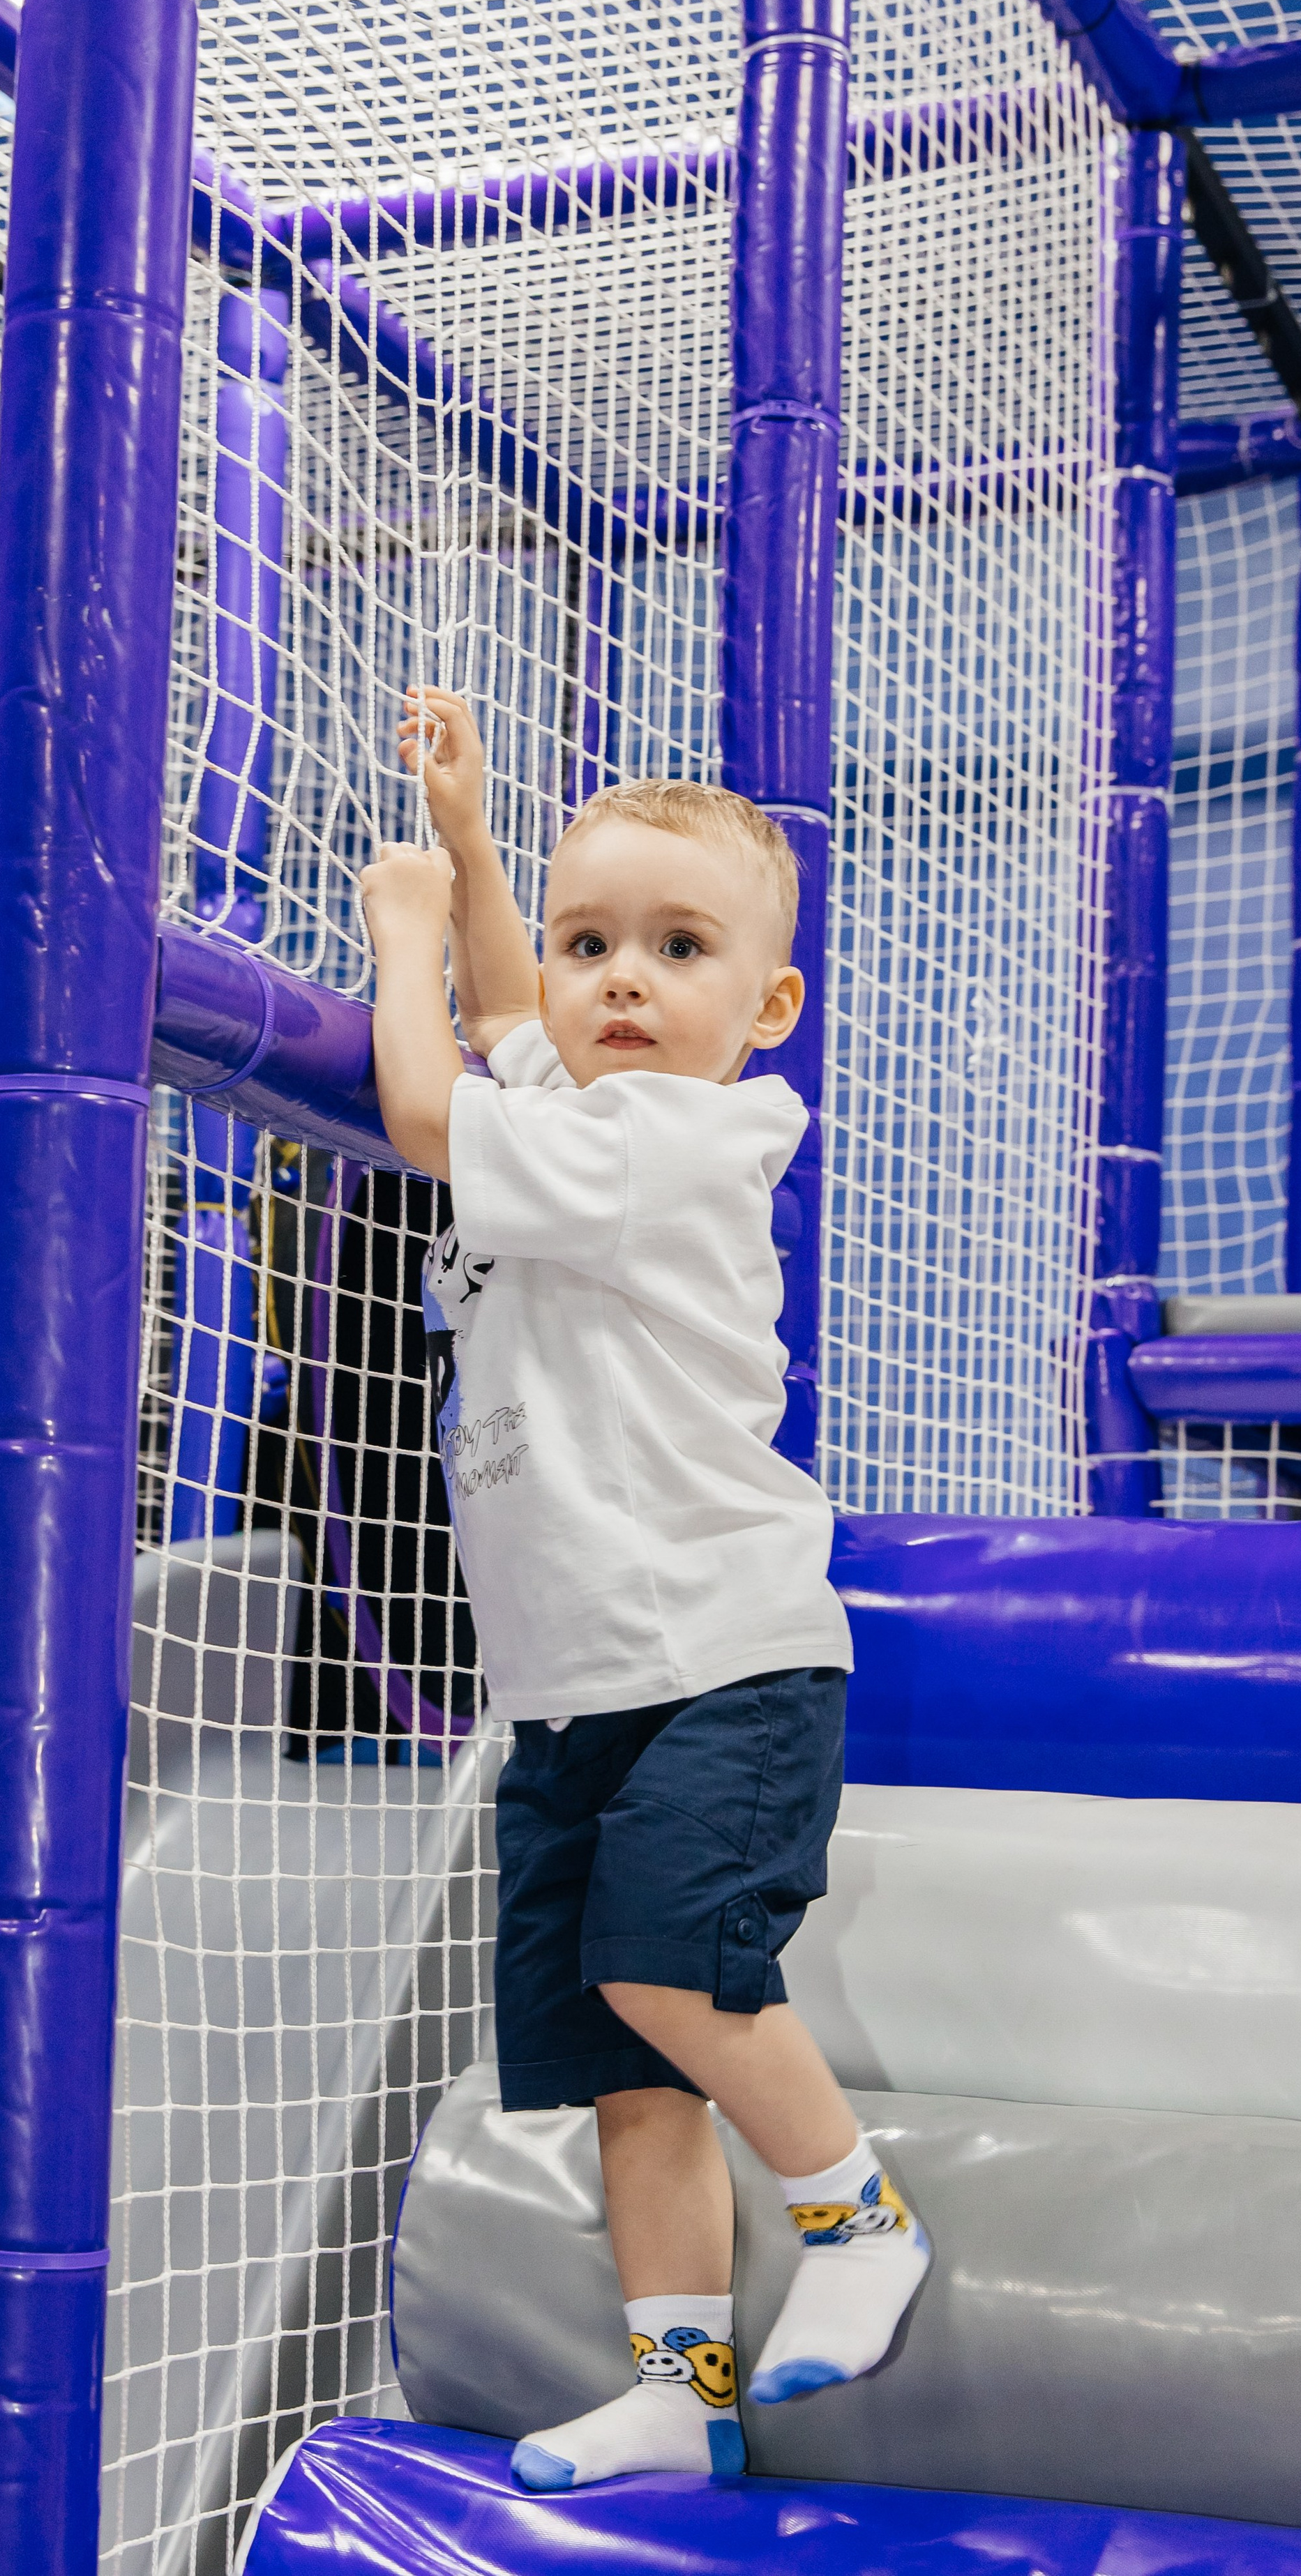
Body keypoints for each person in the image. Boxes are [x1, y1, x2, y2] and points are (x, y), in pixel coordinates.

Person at [358, 687, 929, 2493]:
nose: (615, 979)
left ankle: (857, 2221)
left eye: (674, 950)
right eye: (598, 935)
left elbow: (432, 1100)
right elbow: (521, 1022)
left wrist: (402, 941)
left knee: (675, 1982)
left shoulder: (674, 1142)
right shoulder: (588, 1099)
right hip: (577, 1688)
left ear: (760, 1012)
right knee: (628, 2073)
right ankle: (683, 2396)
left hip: (720, 1666)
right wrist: (467, 847)